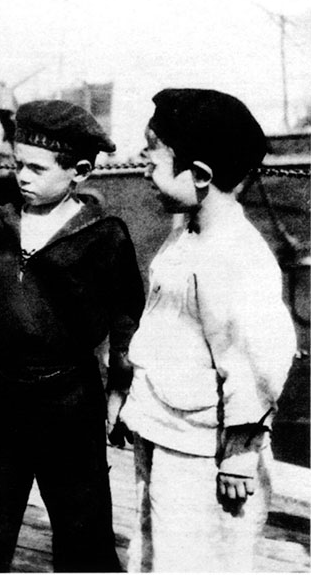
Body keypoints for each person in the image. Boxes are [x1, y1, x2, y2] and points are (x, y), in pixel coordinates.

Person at [0, 100, 145, 572]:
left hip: (68, 400)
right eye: (18, 164)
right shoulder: (1, 225)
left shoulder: (103, 236)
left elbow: (127, 322)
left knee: (83, 529)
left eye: (37, 168)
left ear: (78, 172)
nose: (23, 176)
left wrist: (119, 392)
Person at [116, 89, 297, 572]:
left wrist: (240, 452)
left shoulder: (235, 257)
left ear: (199, 176)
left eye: (152, 153)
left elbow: (260, 362)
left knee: (201, 560)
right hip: (167, 433)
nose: (141, 163)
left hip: (208, 453)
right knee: (156, 552)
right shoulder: (186, 236)